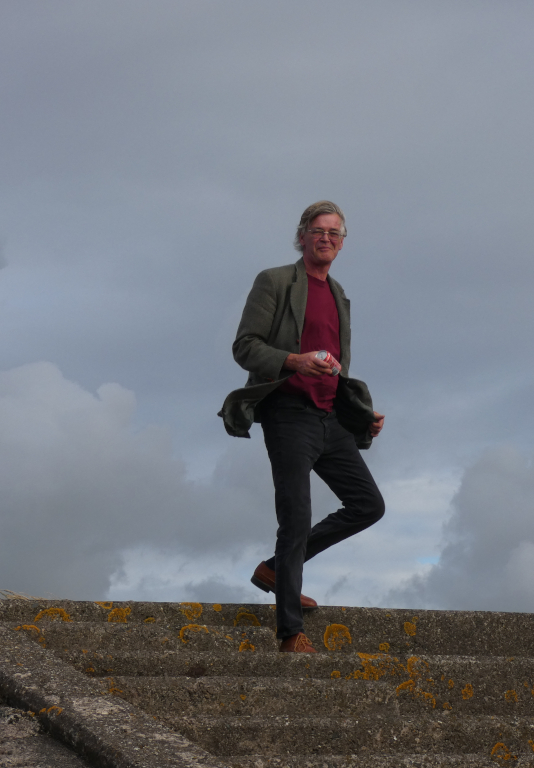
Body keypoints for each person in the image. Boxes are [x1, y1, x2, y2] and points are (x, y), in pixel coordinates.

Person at [219, 200, 385, 653]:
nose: (326, 238)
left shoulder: (339, 294)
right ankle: (290, 632)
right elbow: (245, 346)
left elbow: (338, 367)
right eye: (318, 230)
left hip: (330, 419)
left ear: (342, 242)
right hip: (288, 415)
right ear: (302, 236)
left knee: (368, 505)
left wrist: (361, 417)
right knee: (296, 518)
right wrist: (292, 361)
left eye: (335, 232)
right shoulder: (274, 281)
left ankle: (275, 570)